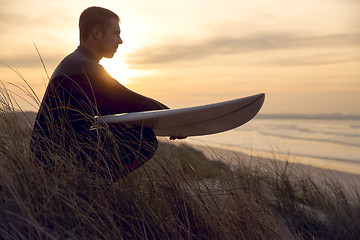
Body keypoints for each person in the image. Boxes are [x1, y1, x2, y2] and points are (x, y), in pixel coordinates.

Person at [30, 6, 185, 181]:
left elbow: (117, 108)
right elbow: (132, 101)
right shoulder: (84, 67)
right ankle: (87, 190)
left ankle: (86, 188)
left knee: (126, 129)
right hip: (55, 162)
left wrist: (169, 118)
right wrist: (176, 120)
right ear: (96, 33)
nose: (120, 41)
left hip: (49, 157)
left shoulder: (76, 62)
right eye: (115, 33)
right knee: (143, 140)